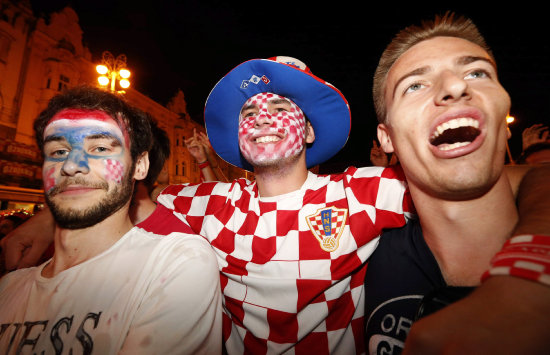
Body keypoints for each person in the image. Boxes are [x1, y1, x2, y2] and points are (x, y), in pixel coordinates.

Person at [2, 57, 549, 354]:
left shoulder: (362, 191)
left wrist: (528, 278)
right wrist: (49, 213)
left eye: (279, 106)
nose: (260, 116)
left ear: (308, 129)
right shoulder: (202, 204)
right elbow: (111, 192)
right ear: (238, 141)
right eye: (249, 112)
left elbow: (526, 178)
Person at [364, 12, 550, 354]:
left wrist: (531, 271)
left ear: (504, 120)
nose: (455, 86)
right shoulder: (361, 257)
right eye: (415, 85)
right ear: (386, 138)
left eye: (477, 73)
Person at [0, 86, 222, 354]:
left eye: (101, 148)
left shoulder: (176, 262)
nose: (71, 165)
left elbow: (215, 197)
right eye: (58, 152)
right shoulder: (9, 287)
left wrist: (205, 162)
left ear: (141, 165)